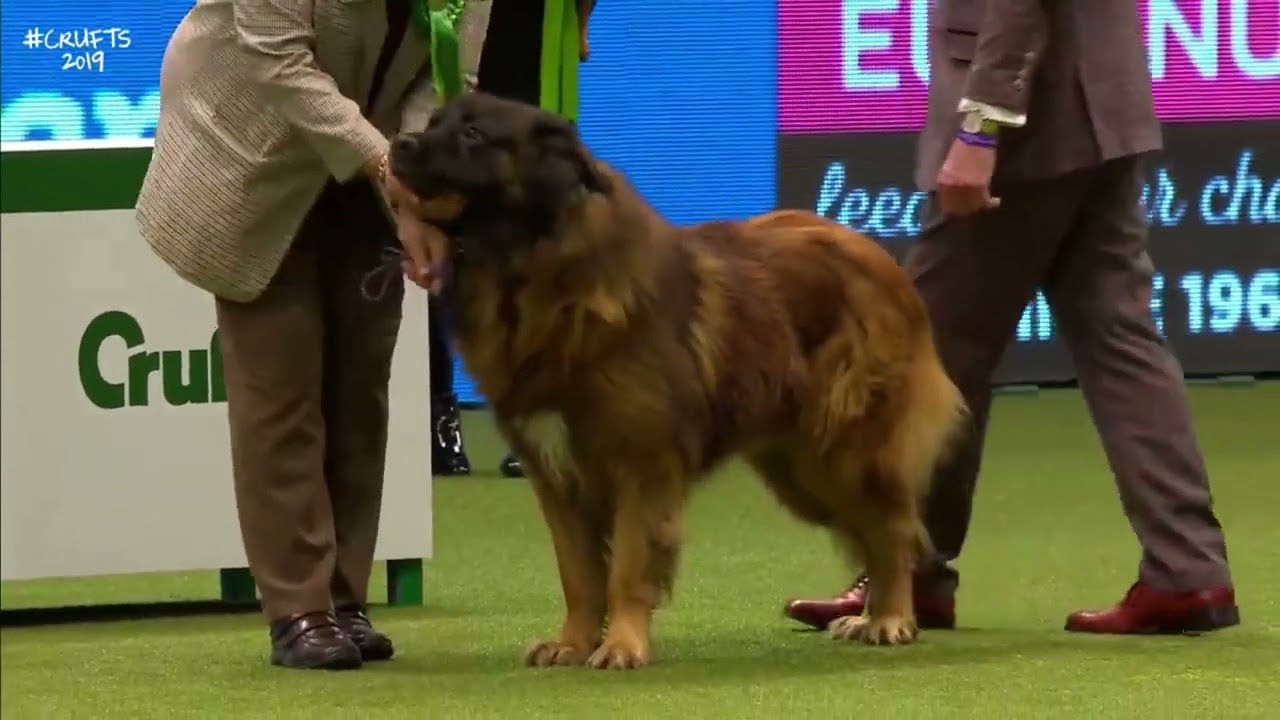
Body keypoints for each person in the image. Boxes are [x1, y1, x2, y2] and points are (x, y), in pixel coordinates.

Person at [784, 0, 1239, 635]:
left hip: (1027, 129)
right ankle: (1188, 570)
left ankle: (906, 573)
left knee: (922, 352)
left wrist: (979, 128)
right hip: (1103, 106)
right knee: (1123, 347)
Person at [136, 0, 491, 669]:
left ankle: (345, 597)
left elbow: (449, 79)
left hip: (376, 165)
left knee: (363, 386)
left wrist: (412, 188)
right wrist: (387, 168)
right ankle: (298, 609)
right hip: (255, 142)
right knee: (280, 387)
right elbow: (279, 61)